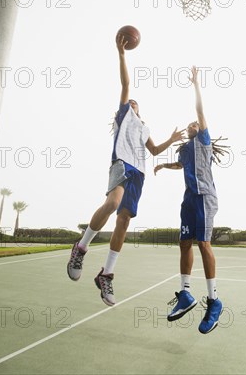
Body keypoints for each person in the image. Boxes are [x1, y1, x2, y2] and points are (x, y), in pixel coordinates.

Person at [67, 34, 184, 307]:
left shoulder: (143, 127)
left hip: (139, 173)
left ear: (140, 111)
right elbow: (126, 83)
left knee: (124, 221)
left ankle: (106, 274)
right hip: (121, 163)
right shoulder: (123, 115)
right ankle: (81, 247)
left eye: (135, 104)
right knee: (112, 204)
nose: (133, 103)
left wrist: (172, 139)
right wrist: (122, 54)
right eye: (130, 103)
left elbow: (154, 151)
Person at [154, 66, 222, 334]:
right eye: (190, 124)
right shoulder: (185, 150)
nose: (191, 124)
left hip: (205, 197)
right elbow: (179, 165)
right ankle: (185, 294)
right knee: (183, 243)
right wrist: (162, 166)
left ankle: (214, 300)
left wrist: (195, 84)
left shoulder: (204, 141)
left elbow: (200, 112)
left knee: (203, 244)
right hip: (189, 199)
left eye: (194, 124)